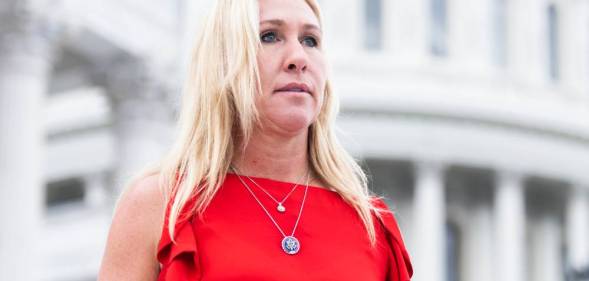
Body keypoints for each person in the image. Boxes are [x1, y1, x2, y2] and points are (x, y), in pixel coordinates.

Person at [98, 0, 413, 280]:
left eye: (310, 40)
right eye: (270, 36)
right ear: (223, 62)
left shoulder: (373, 226)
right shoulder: (158, 204)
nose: (298, 58)